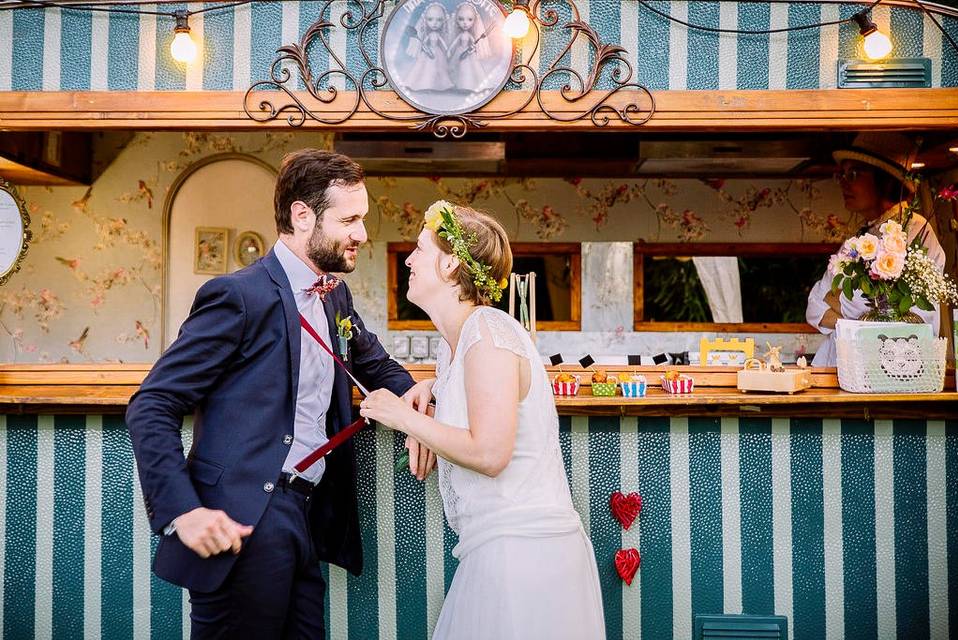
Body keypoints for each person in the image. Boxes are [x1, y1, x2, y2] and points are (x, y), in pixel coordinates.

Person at [126, 149, 435, 638]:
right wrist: (182, 511)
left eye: (363, 218)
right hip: (243, 521)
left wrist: (421, 403)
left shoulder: (334, 293)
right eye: (349, 219)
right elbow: (152, 404)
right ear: (301, 215)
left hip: (305, 515)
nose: (362, 233)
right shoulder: (237, 296)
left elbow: (374, 363)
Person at [359, 201, 606, 640]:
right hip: (493, 551)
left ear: (451, 263)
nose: (410, 260)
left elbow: (491, 453)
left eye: (418, 249)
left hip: (525, 559)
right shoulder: (455, 345)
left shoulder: (488, 332)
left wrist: (403, 418)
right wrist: (428, 391)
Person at [806, 132, 946, 366]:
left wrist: (839, 303)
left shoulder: (915, 230)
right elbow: (814, 307)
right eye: (841, 174)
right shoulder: (860, 236)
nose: (843, 183)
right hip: (840, 372)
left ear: (884, 179)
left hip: (888, 375)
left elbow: (906, 320)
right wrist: (863, 319)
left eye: (853, 174)